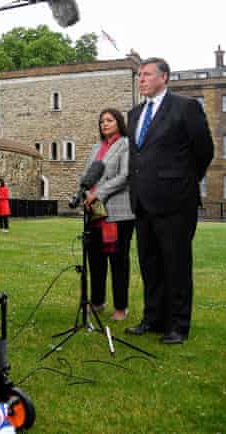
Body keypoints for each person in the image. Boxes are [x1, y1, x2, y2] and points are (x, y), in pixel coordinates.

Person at [125, 57, 213, 345]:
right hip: (142, 201)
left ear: (165, 77)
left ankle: (178, 326)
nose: (141, 79)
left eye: (147, 74)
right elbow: (137, 157)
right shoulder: (135, 114)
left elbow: (204, 151)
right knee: (150, 265)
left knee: (175, 265)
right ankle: (153, 319)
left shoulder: (186, 107)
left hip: (176, 202)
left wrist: (181, 183)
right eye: (139, 75)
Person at [81, 109, 135, 322]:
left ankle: (121, 307)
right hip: (95, 214)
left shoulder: (126, 145)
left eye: (109, 120)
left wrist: (98, 193)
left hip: (117, 214)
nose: (104, 124)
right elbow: (86, 175)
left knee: (118, 261)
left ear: (118, 123)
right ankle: (97, 301)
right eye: (102, 121)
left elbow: (125, 176)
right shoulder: (96, 148)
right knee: (95, 260)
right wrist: (87, 193)